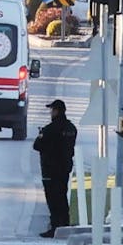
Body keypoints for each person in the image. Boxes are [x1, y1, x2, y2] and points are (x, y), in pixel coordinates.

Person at [33, 99, 79, 237]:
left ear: (57, 111)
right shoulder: (71, 128)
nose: (51, 113)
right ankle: (64, 224)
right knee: (62, 196)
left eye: (52, 110)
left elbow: (37, 145)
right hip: (64, 168)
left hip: (50, 169)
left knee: (53, 199)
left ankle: (55, 226)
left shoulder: (50, 129)